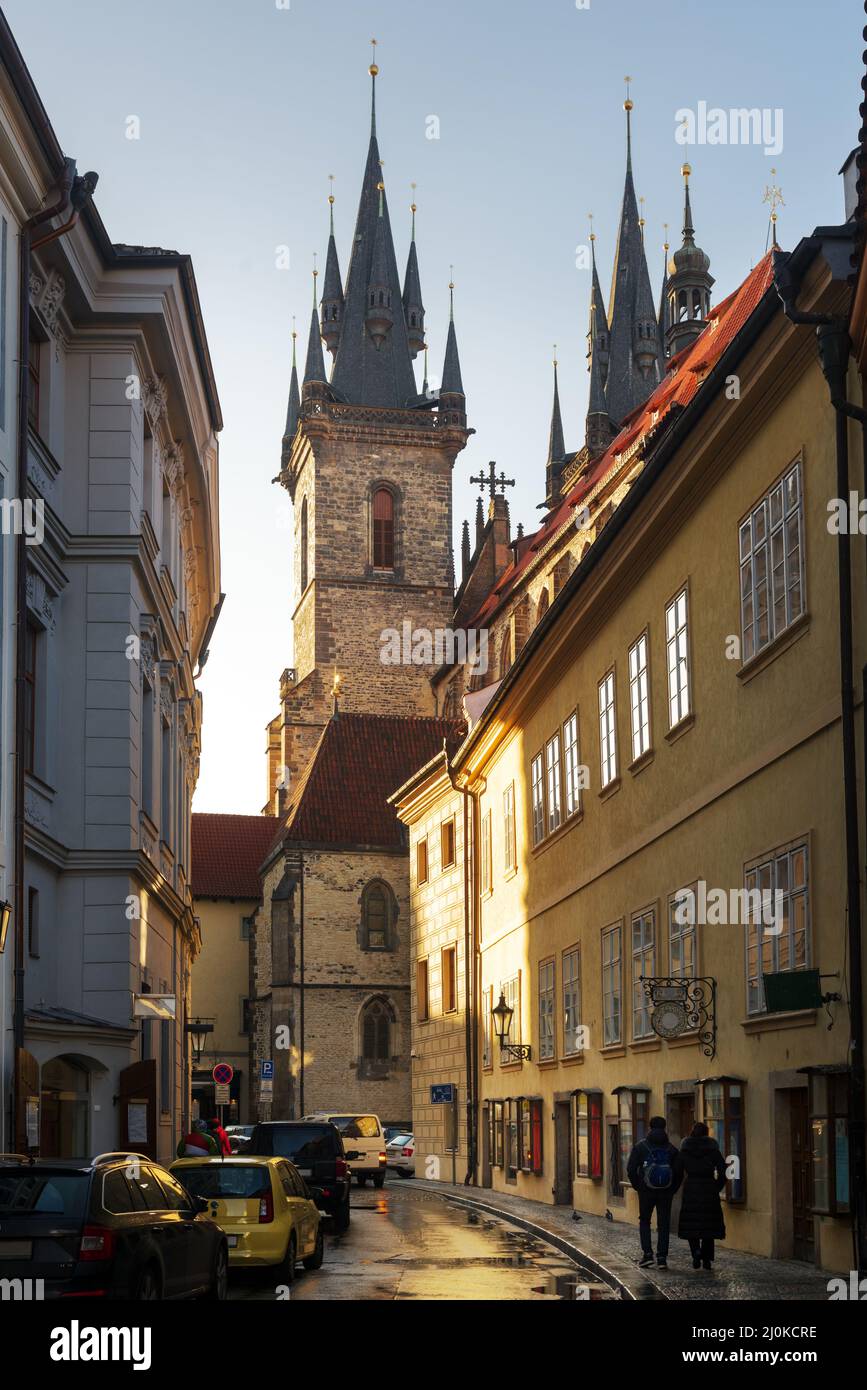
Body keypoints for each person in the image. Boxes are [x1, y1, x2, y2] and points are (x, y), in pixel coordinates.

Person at [626, 1115, 682, 1270]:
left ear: (650, 1128)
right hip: (666, 1192)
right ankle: (662, 1258)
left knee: (645, 1221)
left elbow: (631, 1169)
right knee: (663, 1224)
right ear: (664, 1128)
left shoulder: (641, 1147)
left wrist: (638, 1186)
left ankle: (647, 1255)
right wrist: (672, 1189)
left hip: (646, 1191)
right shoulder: (671, 1149)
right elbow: (679, 1172)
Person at [678, 1121, 727, 1269]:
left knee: (691, 1224)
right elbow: (723, 1170)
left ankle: (696, 1252)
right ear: (706, 1133)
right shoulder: (713, 1149)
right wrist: (717, 1186)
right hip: (708, 1187)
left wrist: (681, 1186)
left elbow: (678, 1170)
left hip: (691, 1187)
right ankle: (706, 1259)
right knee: (708, 1225)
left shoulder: (685, 1150)